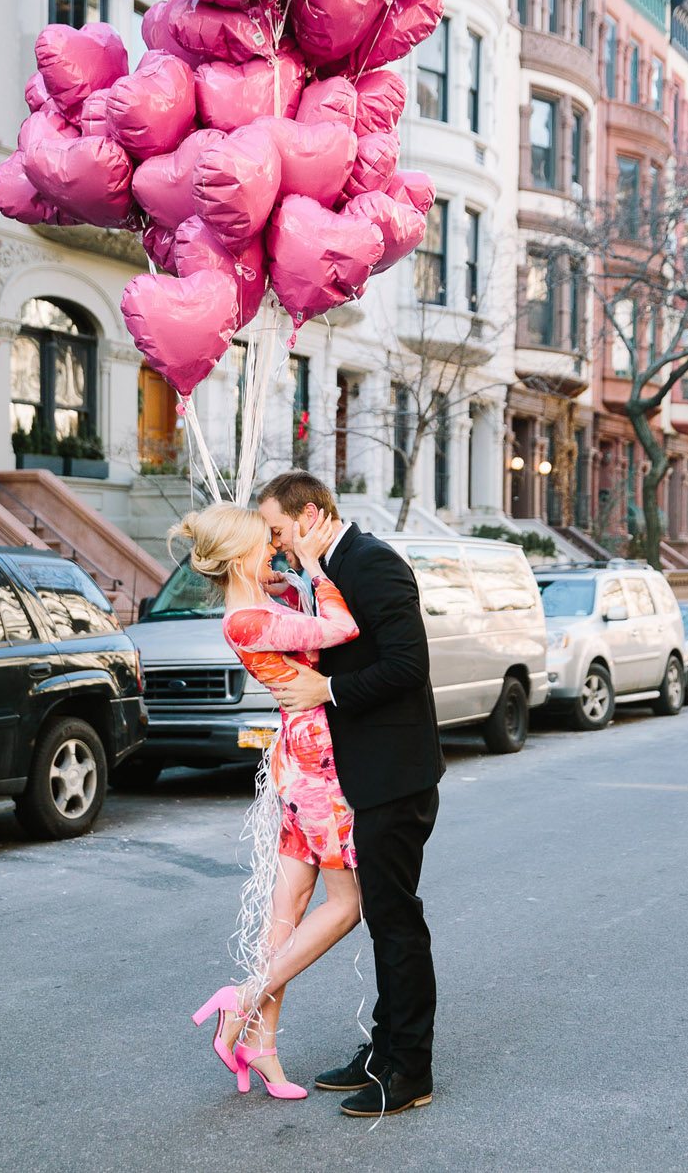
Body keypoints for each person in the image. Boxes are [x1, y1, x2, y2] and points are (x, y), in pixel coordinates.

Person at [258, 470, 444, 1118]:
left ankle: (409, 1070)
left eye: (278, 532)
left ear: (310, 515)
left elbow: (406, 665)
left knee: (396, 920)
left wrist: (326, 694)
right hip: (361, 774)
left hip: (397, 772)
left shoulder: (374, 563)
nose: (276, 547)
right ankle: (384, 1051)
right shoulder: (323, 572)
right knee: (383, 918)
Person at [177, 503, 363, 1102]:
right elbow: (340, 630)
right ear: (237, 556)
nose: (275, 553)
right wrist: (316, 567)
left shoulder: (257, 605)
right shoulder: (248, 619)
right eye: (265, 546)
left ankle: (263, 1045)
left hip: (300, 758)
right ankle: (244, 1000)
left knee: (287, 912)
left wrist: (292, 580)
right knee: (349, 904)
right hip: (314, 768)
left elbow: (301, 622)